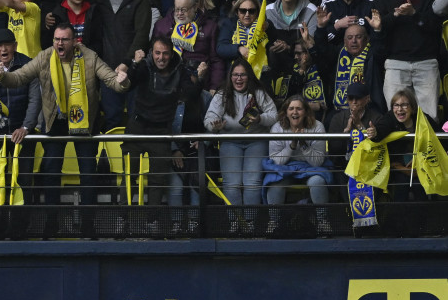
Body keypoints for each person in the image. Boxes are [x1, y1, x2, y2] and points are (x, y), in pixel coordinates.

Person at [0, 22, 130, 207]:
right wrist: (2, 76)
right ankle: (52, 225)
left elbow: (111, 80)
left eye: (65, 40)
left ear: (74, 41)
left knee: (88, 173)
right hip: (55, 121)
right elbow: (19, 78)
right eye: (57, 39)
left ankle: (88, 227)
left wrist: (122, 82)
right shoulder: (44, 57)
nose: (60, 43)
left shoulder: (90, 57)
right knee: (51, 173)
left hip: (84, 122)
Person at [121, 36, 204, 207]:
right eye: (157, 53)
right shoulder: (144, 64)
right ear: (152, 52)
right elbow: (130, 83)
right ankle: (123, 220)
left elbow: (191, 94)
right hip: (137, 126)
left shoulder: (180, 69)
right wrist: (134, 64)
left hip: (162, 131)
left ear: (171, 54)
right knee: (129, 177)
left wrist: (199, 80)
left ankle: (152, 222)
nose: (161, 57)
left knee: (157, 181)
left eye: (165, 53)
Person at [203, 58, 276, 218]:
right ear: (230, 77)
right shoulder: (222, 94)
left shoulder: (259, 92)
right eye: (235, 75)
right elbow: (208, 119)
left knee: (252, 183)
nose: (239, 78)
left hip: (256, 141)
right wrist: (214, 127)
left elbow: (274, 116)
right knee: (232, 184)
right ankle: (236, 223)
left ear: (249, 76)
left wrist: (260, 119)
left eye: (243, 75)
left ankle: (250, 223)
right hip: (229, 141)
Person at [372, 0, 442, 119]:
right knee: (396, 119)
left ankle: (426, 147)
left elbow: (435, 27)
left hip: (426, 63)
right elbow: (379, 31)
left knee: (429, 119)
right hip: (395, 63)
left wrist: (414, 15)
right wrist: (395, 15)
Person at [90, 0, 154, 130]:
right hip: (108, 69)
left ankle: (133, 157)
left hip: (134, 68)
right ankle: (113, 158)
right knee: (112, 119)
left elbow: (142, 36)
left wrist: (127, 62)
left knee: (136, 119)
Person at [0, 28, 40, 204]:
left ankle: (24, 225)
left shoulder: (29, 64)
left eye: (7, 45)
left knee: (24, 180)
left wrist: (26, 127)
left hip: (23, 132)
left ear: (15, 45)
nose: (3, 49)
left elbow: (35, 99)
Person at [263, 95, 332, 234]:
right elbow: (276, 161)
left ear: (305, 111)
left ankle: (322, 222)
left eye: (299, 109)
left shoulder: (317, 126)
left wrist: (303, 144)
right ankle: (274, 223)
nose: (295, 112)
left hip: (310, 167)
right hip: (285, 168)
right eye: (291, 109)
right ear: (286, 112)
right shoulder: (277, 128)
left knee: (318, 181)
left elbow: (317, 161)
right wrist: (292, 145)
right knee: (274, 184)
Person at [153, 0, 224, 94]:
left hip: (197, 81)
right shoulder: (162, 26)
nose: (179, 13)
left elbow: (216, 60)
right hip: (167, 81)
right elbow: (152, 55)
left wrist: (214, 87)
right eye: (177, 9)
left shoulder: (210, 27)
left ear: (195, 7)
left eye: (184, 9)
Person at [369, 88, 435, 201]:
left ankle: (424, 218)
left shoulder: (421, 117)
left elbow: (438, 136)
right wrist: (375, 133)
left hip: (421, 166)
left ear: (412, 107)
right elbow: (380, 130)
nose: (400, 109)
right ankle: (399, 217)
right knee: (402, 184)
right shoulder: (390, 117)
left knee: (419, 186)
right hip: (397, 167)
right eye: (396, 105)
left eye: (404, 105)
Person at [264, 0, 317, 81]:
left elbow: (312, 45)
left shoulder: (311, 10)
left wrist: (289, 47)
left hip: (301, 60)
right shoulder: (268, 11)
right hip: (275, 59)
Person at [216, 0, 262, 68]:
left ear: (257, 12)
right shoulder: (229, 24)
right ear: (237, 12)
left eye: (251, 11)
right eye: (243, 11)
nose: (247, 15)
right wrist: (239, 49)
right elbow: (221, 48)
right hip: (236, 72)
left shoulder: (264, 25)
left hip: (260, 70)